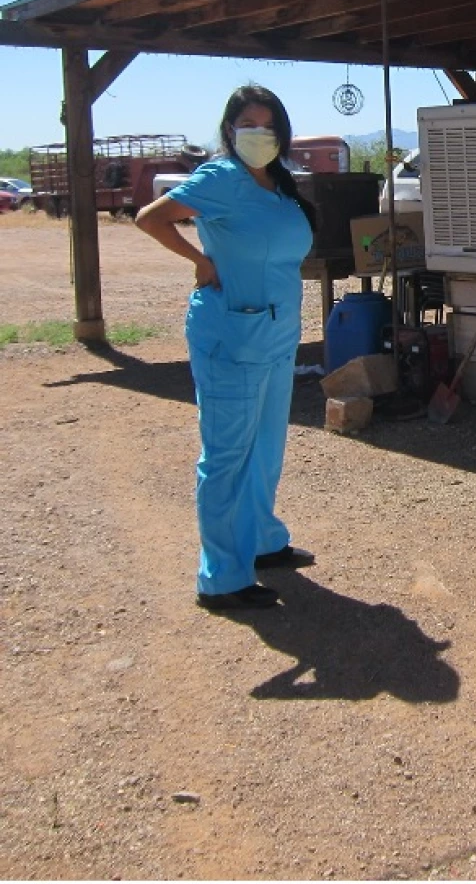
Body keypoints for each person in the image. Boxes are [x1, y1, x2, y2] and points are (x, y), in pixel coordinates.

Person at [136, 84, 318, 610]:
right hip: (232, 334)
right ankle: (222, 578)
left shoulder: (279, 185)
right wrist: (200, 261)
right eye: (249, 126)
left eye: (269, 126)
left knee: (265, 447)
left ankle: (261, 542)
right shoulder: (222, 178)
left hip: (276, 332)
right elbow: (151, 218)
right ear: (230, 131)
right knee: (228, 455)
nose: (259, 136)